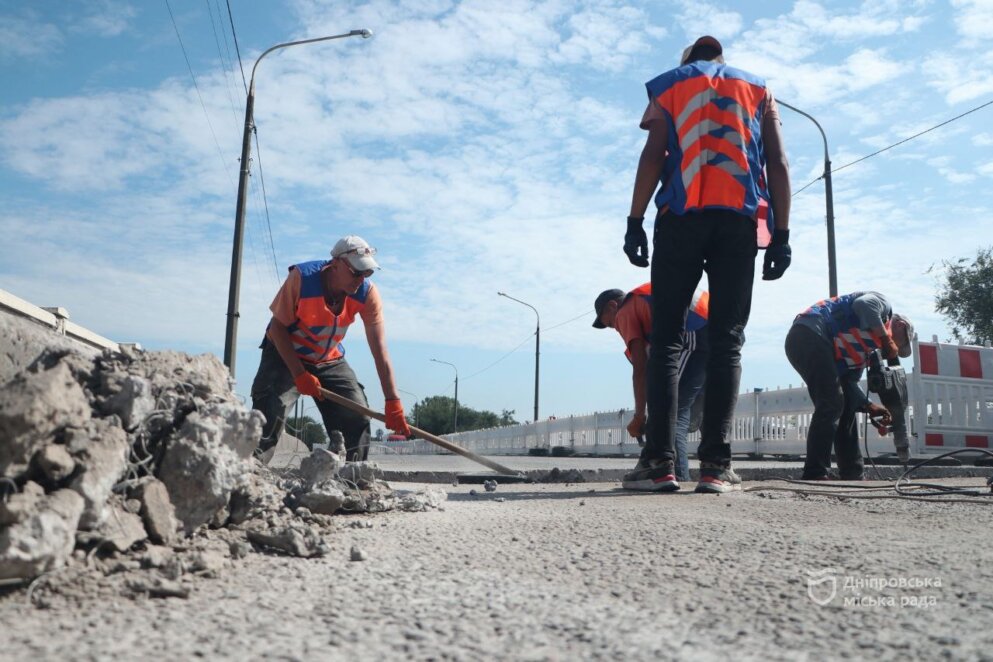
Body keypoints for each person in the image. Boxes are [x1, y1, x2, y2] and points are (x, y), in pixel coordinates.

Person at [622, 35, 792, 493]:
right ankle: (716, 467)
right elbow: (777, 161)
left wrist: (634, 221)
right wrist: (782, 236)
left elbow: (654, 154)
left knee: (667, 343)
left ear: (687, 60)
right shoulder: (758, 89)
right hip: (738, 221)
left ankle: (658, 464)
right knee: (727, 342)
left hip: (679, 219)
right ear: (721, 59)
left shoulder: (671, 85)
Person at [250, 235, 411, 462]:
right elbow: (277, 328)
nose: (361, 279)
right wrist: (299, 374)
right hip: (285, 354)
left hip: (328, 358)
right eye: (356, 272)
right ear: (335, 264)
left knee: (357, 415)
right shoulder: (302, 279)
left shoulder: (367, 294)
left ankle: (354, 481)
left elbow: (380, 350)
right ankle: (249, 479)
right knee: (269, 413)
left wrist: (392, 400)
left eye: (367, 273)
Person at [785, 292, 914, 480]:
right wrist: (887, 339)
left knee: (845, 407)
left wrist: (869, 405)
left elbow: (848, 383)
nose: (892, 352)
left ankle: (852, 472)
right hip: (808, 333)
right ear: (900, 326)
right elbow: (863, 304)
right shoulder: (882, 305)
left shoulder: (864, 352)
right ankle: (815, 472)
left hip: (814, 344)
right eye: (899, 344)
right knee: (831, 402)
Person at [592, 283, 709, 481]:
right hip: (724, 331)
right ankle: (715, 470)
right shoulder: (646, 300)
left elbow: (641, 369)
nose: (616, 328)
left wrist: (639, 416)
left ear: (612, 306)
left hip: (698, 333)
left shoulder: (625, 311)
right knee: (703, 412)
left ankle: (678, 476)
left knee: (671, 411)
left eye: (611, 324)